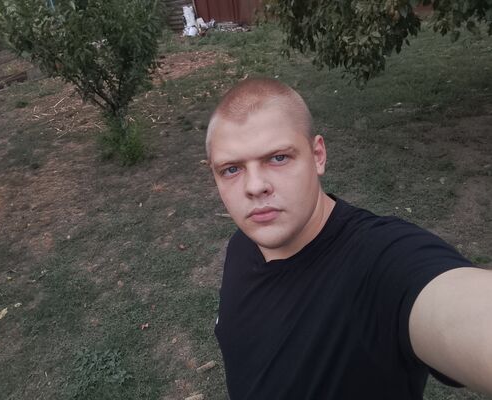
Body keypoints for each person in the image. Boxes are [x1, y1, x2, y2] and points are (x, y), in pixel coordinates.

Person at [205, 78, 492, 400]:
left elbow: (459, 308)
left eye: (278, 158)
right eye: (231, 169)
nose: (254, 186)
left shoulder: (382, 263)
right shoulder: (242, 245)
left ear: (318, 155)